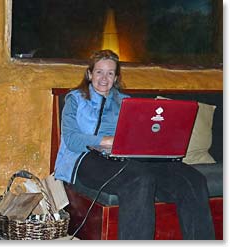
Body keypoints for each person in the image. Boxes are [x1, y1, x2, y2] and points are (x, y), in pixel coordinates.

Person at [53, 49, 215, 240]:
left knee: (192, 180)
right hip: (86, 158)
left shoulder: (126, 102)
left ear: (116, 77)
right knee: (139, 179)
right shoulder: (75, 99)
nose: (104, 78)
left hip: (128, 157)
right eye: (99, 72)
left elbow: (140, 135)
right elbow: (72, 139)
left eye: (110, 73)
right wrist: (105, 141)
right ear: (89, 74)